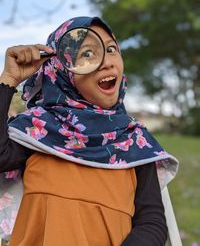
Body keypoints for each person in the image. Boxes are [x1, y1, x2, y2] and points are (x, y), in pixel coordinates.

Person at [0, 16, 178, 246]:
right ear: (61, 70)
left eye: (112, 49)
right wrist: (8, 80)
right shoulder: (37, 130)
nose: (107, 62)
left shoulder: (136, 143)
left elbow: (151, 222)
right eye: (87, 54)